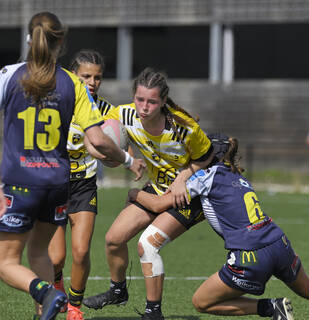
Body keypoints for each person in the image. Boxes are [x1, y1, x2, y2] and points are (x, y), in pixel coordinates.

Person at [0, 11, 145, 320]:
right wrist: (129, 160)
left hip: (20, 183)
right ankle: (47, 312)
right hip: (56, 185)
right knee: (41, 254)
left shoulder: (9, 75)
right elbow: (101, 140)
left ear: (29, 38)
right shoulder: (71, 83)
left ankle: (48, 292)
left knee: (6, 263)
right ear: (61, 41)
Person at [128, 133, 309, 320]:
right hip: (279, 243)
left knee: (201, 302)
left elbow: (158, 205)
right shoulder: (239, 177)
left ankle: (269, 307)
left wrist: (134, 193)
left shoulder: (205, 176)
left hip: (251, 254)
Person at [83, 67, 215, 320]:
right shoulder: (124, 114)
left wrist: (182, 179)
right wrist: (113, 154)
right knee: (113, 239)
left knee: (147, 245)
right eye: (140, 99)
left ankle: (153, 313)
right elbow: (99, 134)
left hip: (188, 195)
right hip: (156, 188)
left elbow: (207, 158)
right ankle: (118, 290)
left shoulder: (184, 127)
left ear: (163, 101)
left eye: (152, 101)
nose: (144, 107)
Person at [47, 49, 115, 320]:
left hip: (84, 186)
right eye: (86, 75)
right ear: (73, 75)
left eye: (97, 77)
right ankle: (56, 291)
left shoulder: (108, 110)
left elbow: (115, 144)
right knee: (56, 259)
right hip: (54, 185)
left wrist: (118, 154)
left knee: (82, 250)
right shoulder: (57, 102)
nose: (92, 81)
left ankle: (74, 306)